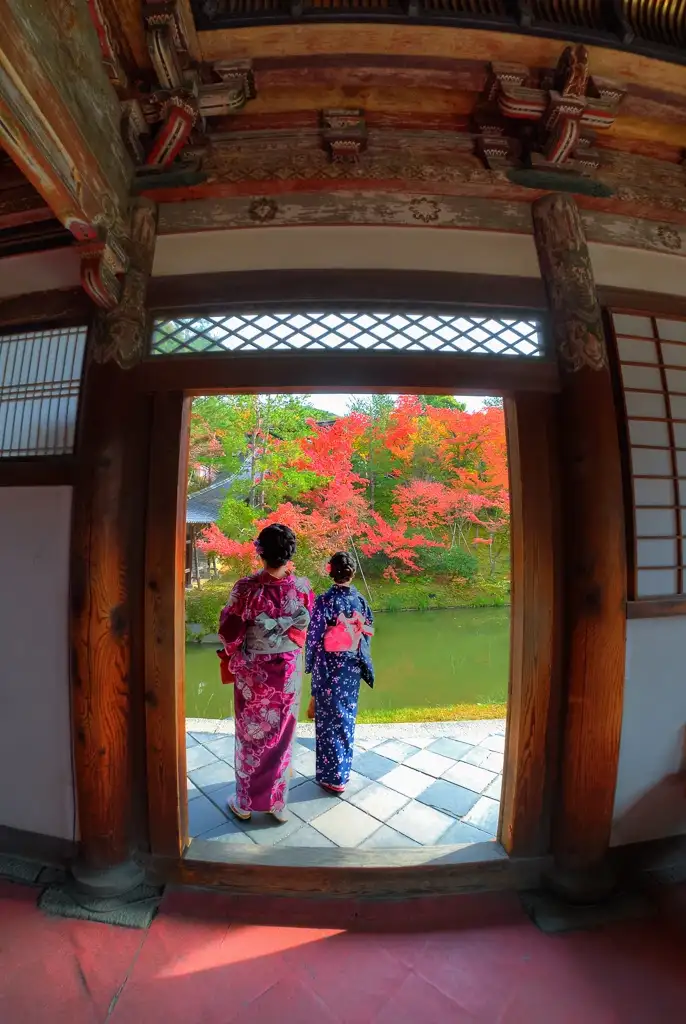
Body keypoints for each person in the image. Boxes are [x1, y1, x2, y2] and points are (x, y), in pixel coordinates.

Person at [217, 524, 313, 823]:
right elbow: (303, 628)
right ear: (289, 554)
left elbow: (229, 631)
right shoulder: (301, 588)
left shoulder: (246, 588)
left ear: (261, 552)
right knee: (282, 734)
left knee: (251, 735)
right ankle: (277, 803)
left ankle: (245, 802)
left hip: (254, 673)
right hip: (287, 670)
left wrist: (232, 651)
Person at [305, 552, 374, 793]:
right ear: (352, 573)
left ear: (330, 571)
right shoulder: (360, 600)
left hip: (328, 666)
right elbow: (367, 630)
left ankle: (330, 776)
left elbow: (313, 636)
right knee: (345, 717)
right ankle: (342, 774)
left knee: (327, 720)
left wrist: (310, 663)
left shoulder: (324, 601)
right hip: (351, 667)